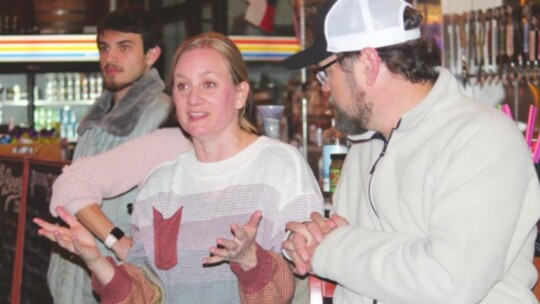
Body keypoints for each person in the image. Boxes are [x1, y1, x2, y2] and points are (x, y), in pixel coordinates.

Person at [281, 0, 540, 303]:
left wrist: (329, 248)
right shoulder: (363, 148)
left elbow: (447, 281)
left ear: (368, 63)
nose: (323, 88)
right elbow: (360, 273)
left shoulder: (482, 138)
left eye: (325, 72)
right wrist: (306, 241)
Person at [36, 32, 323, 303]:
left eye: (208, 84)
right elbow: (146, 292)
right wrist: (96, 260)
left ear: (240, 94)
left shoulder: (282, 166)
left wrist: (251, 261)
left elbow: (299, 282)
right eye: (182, 86)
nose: (193, 98)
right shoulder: (159, 185)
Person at [46, 7, 176, 304]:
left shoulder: (163, 114)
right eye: (104, 48)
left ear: (152, 55)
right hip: (73, 278)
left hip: (120, 282)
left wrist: (122, 246)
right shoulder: (96, 118)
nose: (110, 58)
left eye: (124, 47)